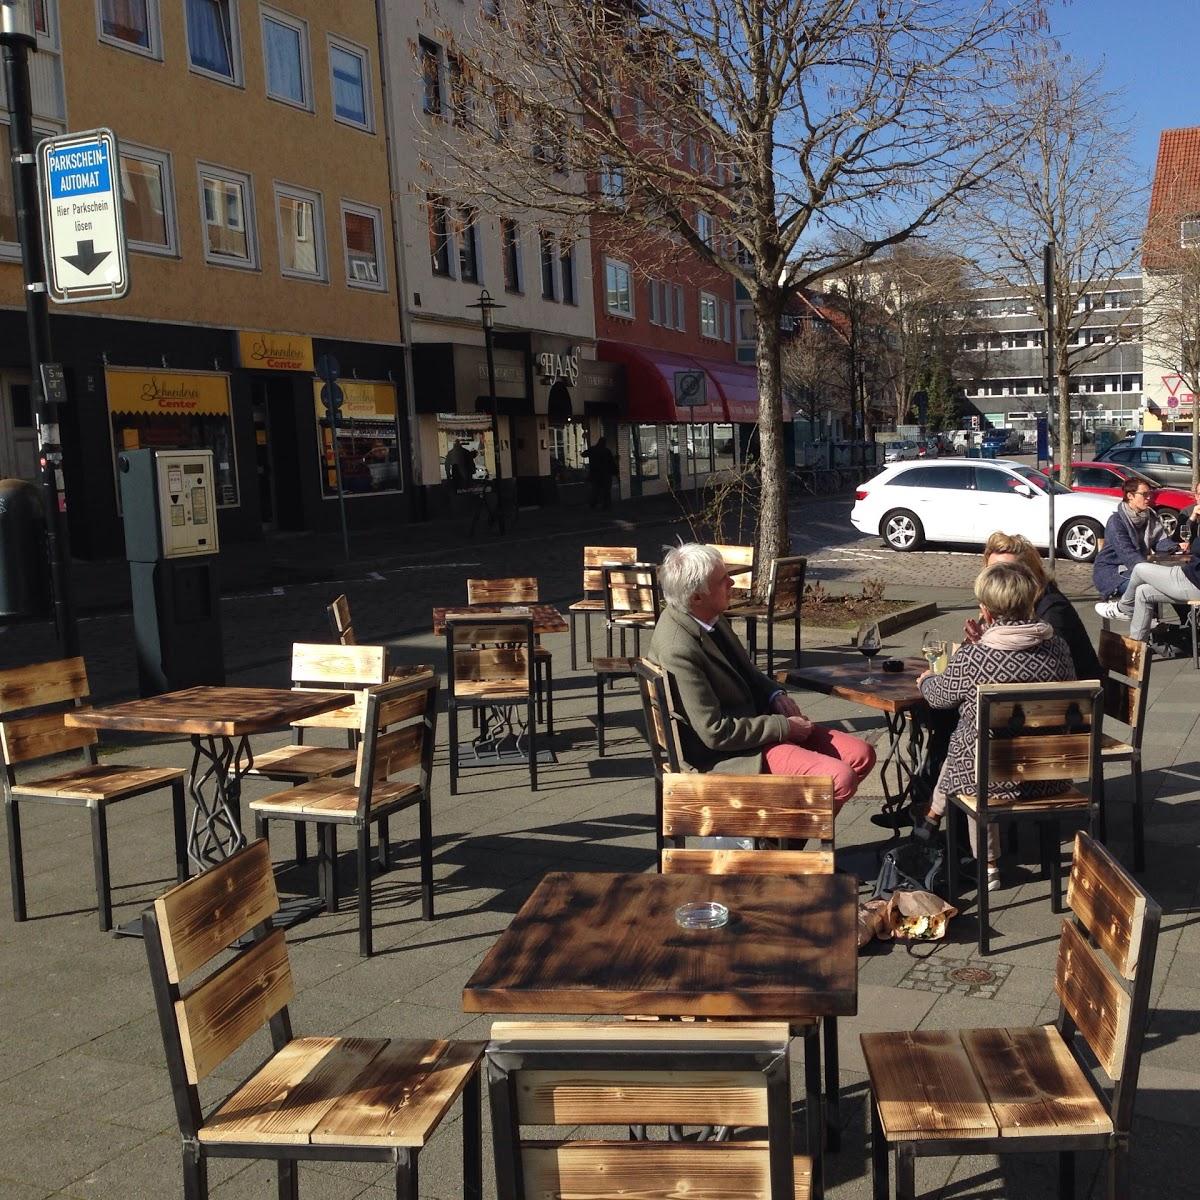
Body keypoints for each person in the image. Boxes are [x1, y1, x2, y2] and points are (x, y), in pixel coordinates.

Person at [648, 542, 875, 810]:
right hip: (731, 754)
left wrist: (774, 693)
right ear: (697, 597)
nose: (732, 582)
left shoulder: (708, 617)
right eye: (723, 580)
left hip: (755, 726)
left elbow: (748, 671)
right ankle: (780, 843)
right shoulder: (679, 648)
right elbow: (715, 733)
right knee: (840, 778)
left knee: (861, 754)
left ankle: (780, 841)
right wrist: (784, 727)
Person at [914, 561, 1075, 891]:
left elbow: (941, 697)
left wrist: (926, 680)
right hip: (1049, 774)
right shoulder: (1057, 646)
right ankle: (932, 814)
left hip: (991, 782)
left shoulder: (976, 656)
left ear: (985, 610)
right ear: (1030, 602)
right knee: (970, 746)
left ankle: (986, 863)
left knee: (967, 751)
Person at [966, 531, 1100, 679]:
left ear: (1030, 573)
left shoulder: (1053, 609)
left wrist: (980, 648)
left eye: (1010, 571)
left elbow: (1036, 663)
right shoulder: (1011, 606)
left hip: (1074, 696)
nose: (1001, 578)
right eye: (993, 572)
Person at [1092, 476, 1174, 600]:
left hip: (1139, 570)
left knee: (1175, 585)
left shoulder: (1150, 516)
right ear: (1130, 496)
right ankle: (1125, 610)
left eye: (1149, 494)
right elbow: (1128, 554)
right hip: (1113, 573)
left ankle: (1186, 619)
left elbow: (1160, 541)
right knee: (1151, 588)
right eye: (1144, 494)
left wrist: (1176, 547)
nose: (1148, 498)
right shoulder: (1116, 521)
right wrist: (1156, 573)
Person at [581, 436, 617, 510]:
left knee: (595, 490)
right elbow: (611, 463)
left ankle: (593, 504)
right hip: (605, 474)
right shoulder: (606, 451)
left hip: (595, 473)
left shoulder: (593, 449)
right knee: (606, 491)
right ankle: (606, 505)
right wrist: (615, 472)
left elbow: (583, 454)